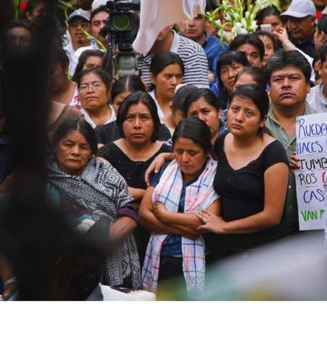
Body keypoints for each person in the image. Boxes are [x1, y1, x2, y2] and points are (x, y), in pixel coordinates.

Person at [196, 85, 289, 258]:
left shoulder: (273, 153)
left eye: (249, 113)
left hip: (262, 252)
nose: (239, 118)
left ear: (263, 120)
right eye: (235, 109)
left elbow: (272, 216)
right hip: (224, 251)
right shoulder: (222, 141)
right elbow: (199, 158)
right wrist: (165, 156)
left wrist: (224, 227)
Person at [46, 118, 141, 288]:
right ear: (55, 146)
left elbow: (130, 214)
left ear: (92, 152)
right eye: (68, 144)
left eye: (83, 147)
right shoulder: (41, 178)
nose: (75, 152)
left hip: (108, 259)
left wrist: (96, 247)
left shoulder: (104, 174)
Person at [139, 117, 220, 298]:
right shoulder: (166, 169)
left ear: (206, 151)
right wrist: (186, 230)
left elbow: (204, 222)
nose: (184, 159)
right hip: (161, 260)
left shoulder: (215, 176)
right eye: (179, 151)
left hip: (201, 262)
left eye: (193, 152)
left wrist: (164, 216)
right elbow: (144, 213)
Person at [97, 91, 172, 263]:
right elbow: (109, 192)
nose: (137, 125)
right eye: (130, 118)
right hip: (119, 244)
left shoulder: (167, 154)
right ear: (120, 122)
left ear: (155, 122)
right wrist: (148, 197)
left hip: (160, 240)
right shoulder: (106, 154)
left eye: (144, 117)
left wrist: (133, 198)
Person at [264, 49, 315, 233]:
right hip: (266, 233)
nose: (286, 84)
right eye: (278, 80)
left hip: (314, 230)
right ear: (268, 89)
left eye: (294, 78)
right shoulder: (253, 125)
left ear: (309, 86)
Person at [137, 24, 209, 89]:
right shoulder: (135, 50)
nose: (155, 27)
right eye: (149, 21)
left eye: (161, 20)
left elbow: (198, 99)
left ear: (171, 23)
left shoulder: (191, 51)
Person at [177, 13, 228, 82]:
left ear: (206, 21)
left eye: (197, 18)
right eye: (185, 17)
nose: (191, 24)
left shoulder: (220, 47)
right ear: (176, 21)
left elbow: (221, 82)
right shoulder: (168, 45)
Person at [148, 51, 184, 127]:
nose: (174, 82)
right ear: (152, 78)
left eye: (178, 76)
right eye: (168, 76)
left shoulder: (188, 102)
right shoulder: (144, 103)